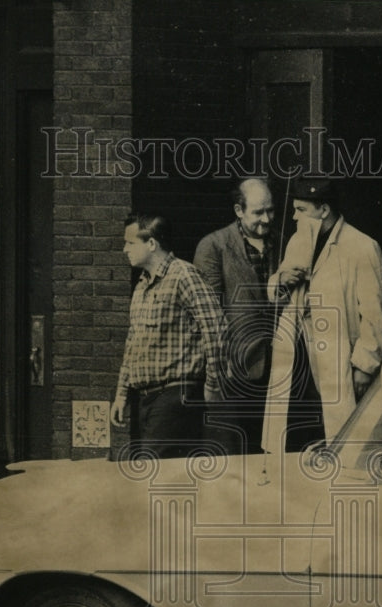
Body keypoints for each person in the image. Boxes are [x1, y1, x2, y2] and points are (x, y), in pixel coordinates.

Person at [262, 177, 382, 455]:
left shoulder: (362, 247)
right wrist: (281, 280)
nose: (294, 217)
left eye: (301, 210)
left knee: (338, 438)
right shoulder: (299, 240)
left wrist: (365, 365)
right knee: (294, 434)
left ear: (324, 210)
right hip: (298, 356)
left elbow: (374, 314)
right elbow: (279, 293)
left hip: (337, 358)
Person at [110, 214, 227, 460]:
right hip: (148, 400)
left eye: (131, 243)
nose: (124, 249)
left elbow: (215, 328)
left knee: (154, 476)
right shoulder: (142, 286)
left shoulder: (183, 275)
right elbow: (133, 342)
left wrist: (213, 384)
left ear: (151, 244)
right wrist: (122, 394)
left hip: (176, 398)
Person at [194, 178, 279, 454]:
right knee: (231, 457)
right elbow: (207, 317)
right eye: (257, 212)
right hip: (233, 371)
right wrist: (217, 370)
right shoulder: (214, 246)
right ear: (238, 211)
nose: (266, 219)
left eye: (270, 210)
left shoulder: (284, 244)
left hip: (278, 371)